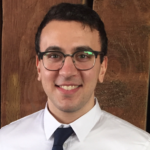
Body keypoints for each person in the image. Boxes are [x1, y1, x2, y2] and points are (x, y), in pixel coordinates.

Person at [0, 3, 150, 150]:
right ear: (39, 66)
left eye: (83, 56)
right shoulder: (5, 142)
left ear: (103, 67)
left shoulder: (140, 146)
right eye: (54, 55)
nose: (67, 72)